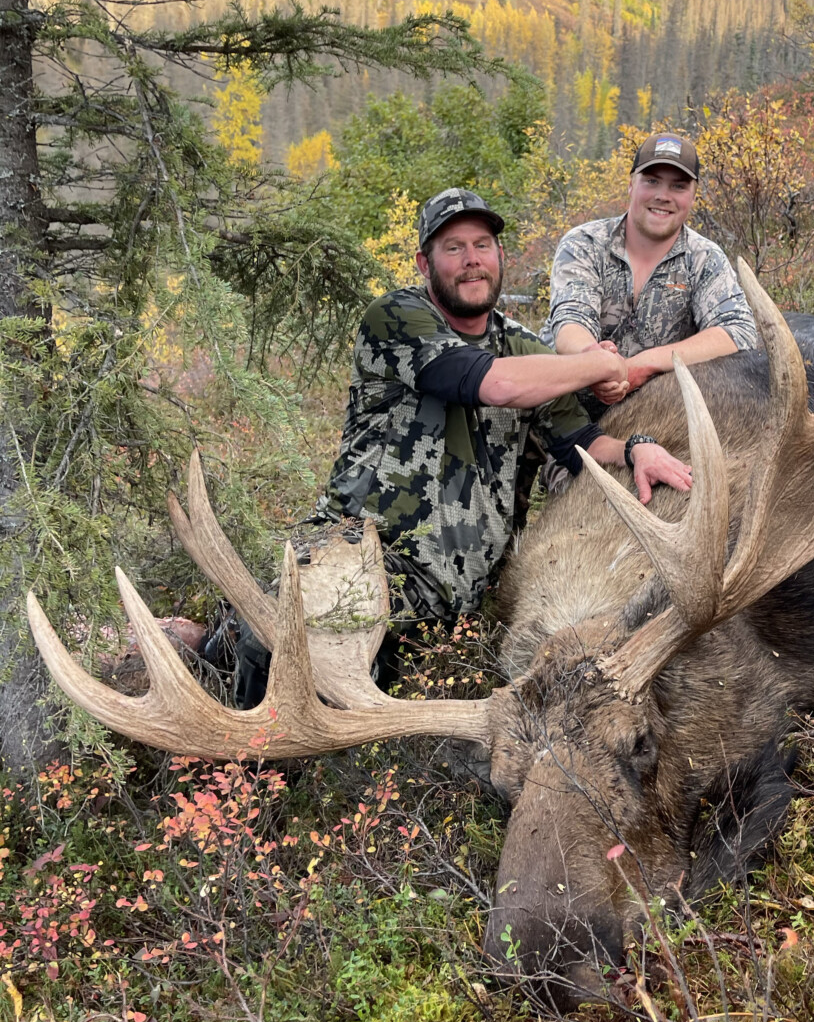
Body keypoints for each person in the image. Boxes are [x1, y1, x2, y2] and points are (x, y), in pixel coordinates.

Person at [233, 187, 693, 705]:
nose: (472, 260)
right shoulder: (396, 318)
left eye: (482, 245)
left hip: (458, 607)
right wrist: (604, 364)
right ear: (424, 263)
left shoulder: (521, 345)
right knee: (275, 642)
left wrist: (636, 448)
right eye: (453, 247)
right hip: (364, 560)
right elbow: (488, 382)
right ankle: (244, 771)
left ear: (501, 257)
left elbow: (581, 444)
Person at [541, 132, 758, 413]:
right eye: (652, 181)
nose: (662, 196)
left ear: (693, 196)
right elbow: (570, 320)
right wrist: (595, 361)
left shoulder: (705, 258)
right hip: (567, 407)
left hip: (657, 413)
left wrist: (646, 364)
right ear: (632, 185)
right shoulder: (585, 243)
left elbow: (738, 331)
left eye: (678, 186)